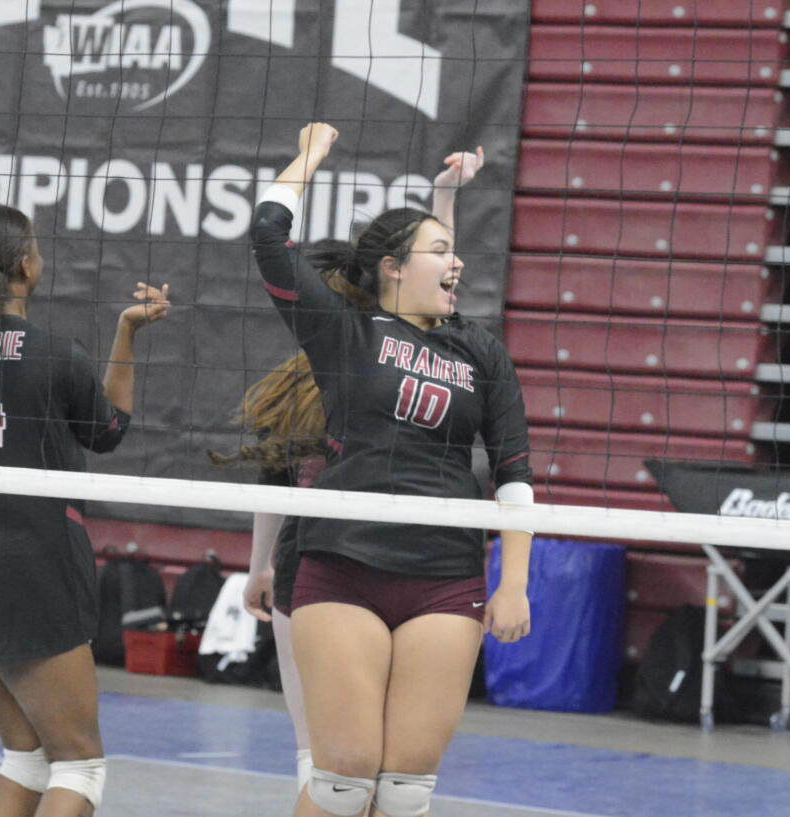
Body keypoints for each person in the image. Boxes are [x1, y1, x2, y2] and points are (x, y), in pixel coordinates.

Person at [250, 123, 533, 817]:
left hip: (446, 574)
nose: (456, 263)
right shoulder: (346, 335)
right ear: (393, 269)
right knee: (344, 780)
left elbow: (515, 473)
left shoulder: (482, 354)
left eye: (454, 250)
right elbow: (267, 236)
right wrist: (311, 155)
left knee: (404, 793)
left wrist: (516, 583)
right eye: (440, 251)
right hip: (344, 562)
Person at [214, 146, 485, 802]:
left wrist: (445, 200)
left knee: (363, 773)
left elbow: (441, 293)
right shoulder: (336, 351)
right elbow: (278, 476)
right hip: (325, 565)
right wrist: (261, 568)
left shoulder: (408, 353)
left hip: (373, 564)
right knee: (338, 774)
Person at [0, 202, 169, 817]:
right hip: (30, 570)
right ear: (25, 266)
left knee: (26, 755)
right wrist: (127, 333)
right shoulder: (53, 354)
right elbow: (108, 431)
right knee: (78, 764)